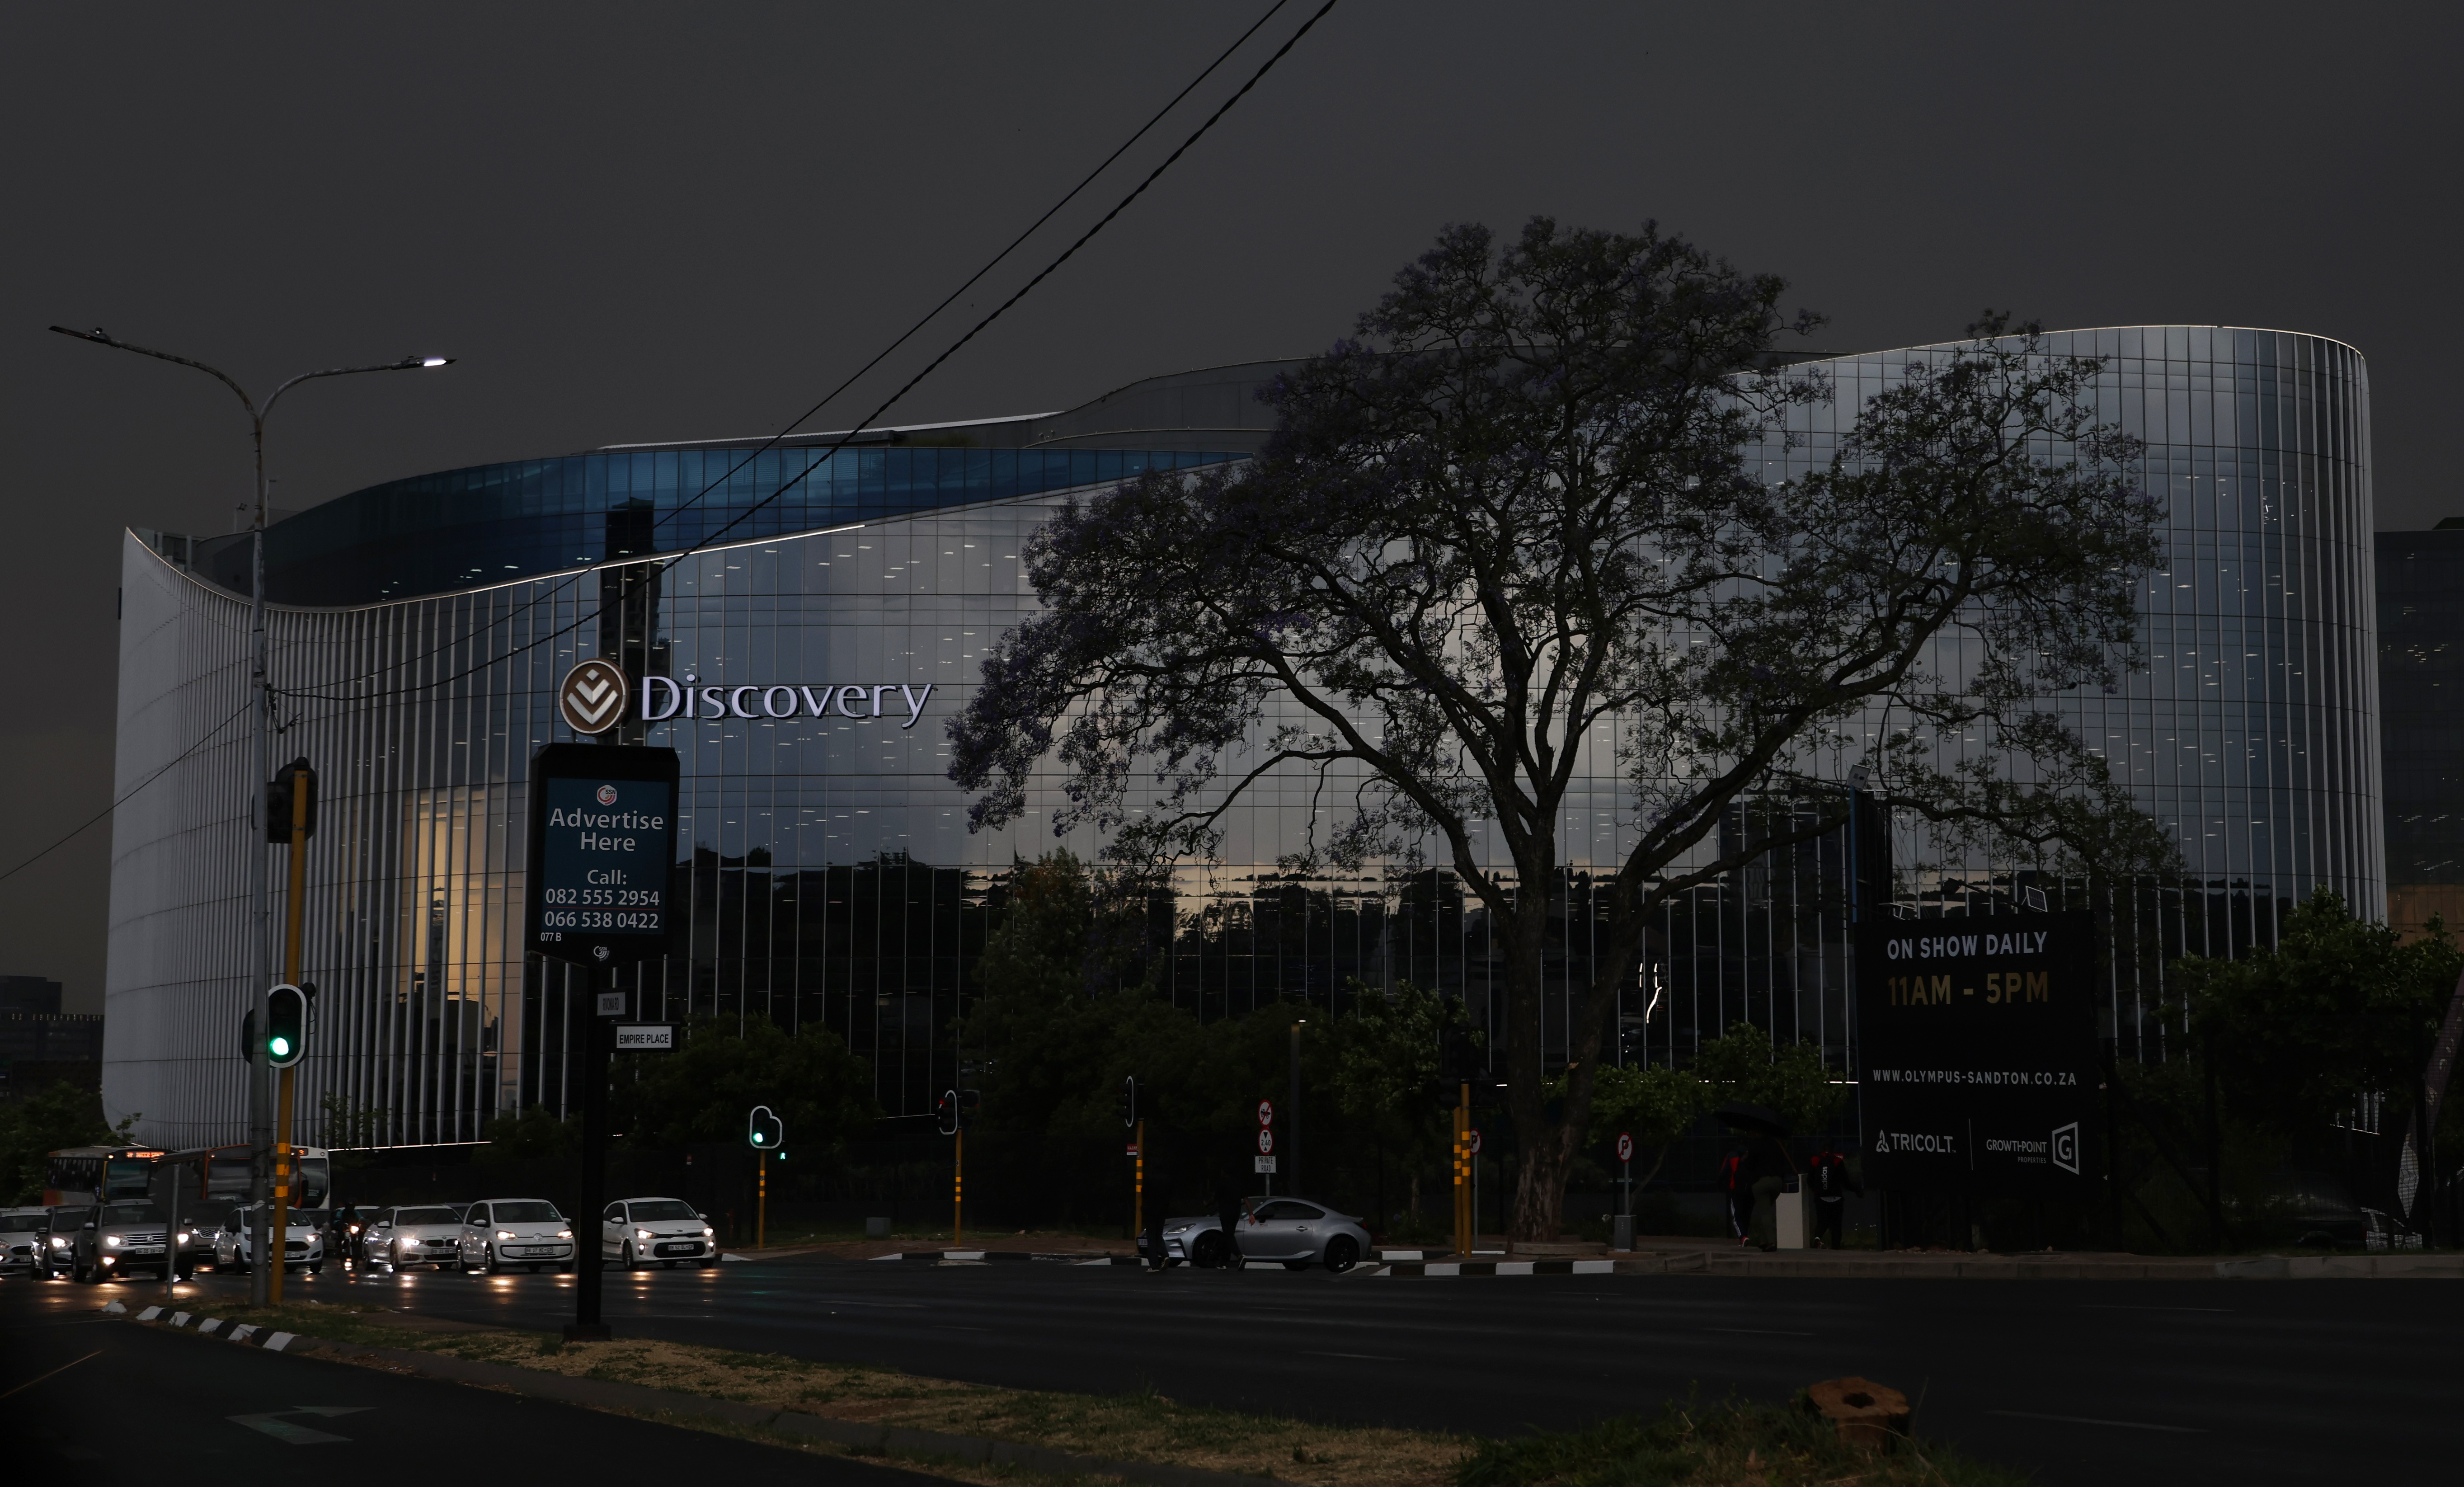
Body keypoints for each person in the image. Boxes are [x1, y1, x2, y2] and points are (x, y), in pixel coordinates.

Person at [1808, 1143, 1855, 1249]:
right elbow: (1846, 1182)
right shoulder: (1838, 1161)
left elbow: (1809, 1180)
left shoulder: (1815, 1160)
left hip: (1821, 1198)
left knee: (1821, 1222)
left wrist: (1816, 1192)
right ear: (1833, 1148)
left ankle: (1817, 1239)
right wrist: (1857, 1191)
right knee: (1836, 1226)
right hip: (1836, 1199)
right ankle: (1836, 1248)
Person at [1212, 1172, 1246, 1270]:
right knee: (1227, 1236)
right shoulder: (1238, 1184)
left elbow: (1215, 1198)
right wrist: (1251, 1213)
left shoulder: (1222, 1183)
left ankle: (1239, 1256)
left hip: (1225, 1213)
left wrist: (1207, 1204)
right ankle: (1223, 1261)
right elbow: (1246, 1199)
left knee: (1228, 1235)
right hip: (1236, 1213)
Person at [1718, 1147, 1751, 1244]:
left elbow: (1724, 1172)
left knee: (1736, 1216)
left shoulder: (1732, 1156)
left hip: (1736, 1189)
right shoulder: (1750, 1155)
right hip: (1749, 1189)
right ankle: (1746, 1235)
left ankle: (1743, 1237)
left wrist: (1719, 1184)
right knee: (1746, 1214)